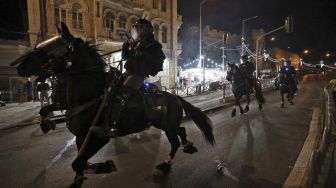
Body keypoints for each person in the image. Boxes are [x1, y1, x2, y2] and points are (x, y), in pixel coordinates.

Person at [109, 19, 166, 136]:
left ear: (146, 30)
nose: (138, 31)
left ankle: (120, 122)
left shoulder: (154, 45)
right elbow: (126, 56)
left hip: (139, 74)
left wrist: (142, 52)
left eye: (140, 28)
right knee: (112, 87)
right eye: (137, 28)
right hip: (128, 71)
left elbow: (158, 58)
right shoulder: (136, 43)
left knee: (125, 92)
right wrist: (126, 48)